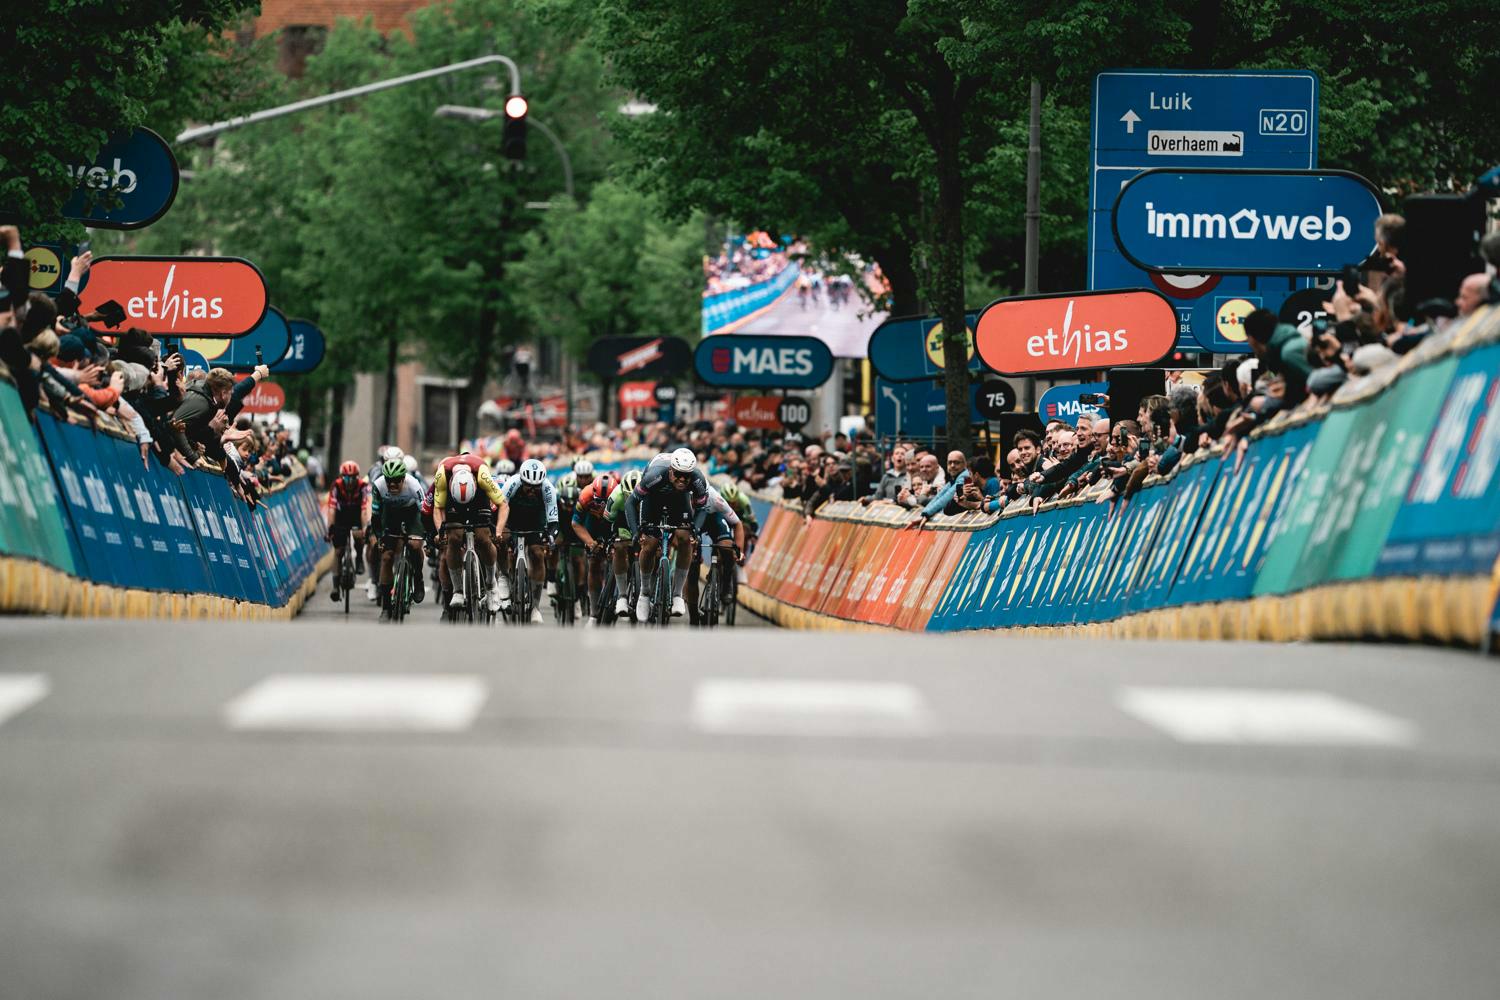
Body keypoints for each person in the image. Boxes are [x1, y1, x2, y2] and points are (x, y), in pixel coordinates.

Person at [626, 448, 709, 620]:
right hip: (653, 499)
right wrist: (635, 532)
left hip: (679, 501)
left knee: (686, 538)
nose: (682, 480)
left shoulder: (697, 479)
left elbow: (702, 508)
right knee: (649, 544)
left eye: (686, 476)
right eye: (678, 475)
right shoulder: (655, 475)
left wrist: (697, 531)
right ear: (671, 470)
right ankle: (644, 592)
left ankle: (677, 594)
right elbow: (631, 502)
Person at [433, 451, 507, 615]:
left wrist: (499, 531)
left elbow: (503, 505)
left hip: (479, 500)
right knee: (453, 538)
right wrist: (440, 533)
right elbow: (437, 509)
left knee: (483, 537)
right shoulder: (442, 475)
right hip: (454, 502)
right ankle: (458, 590)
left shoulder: (482, 475)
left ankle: (490, 583)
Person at [495, 458, 557, 623]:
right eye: (528, 485)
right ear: (521, 480)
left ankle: (535, 607)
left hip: (536, 521)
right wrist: (499, 531)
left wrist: (550, 536)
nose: (531, 489)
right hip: (512, 517)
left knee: (538, 554)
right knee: (502, 539)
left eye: (536, 487)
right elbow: (501, 508)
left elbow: (553, 521)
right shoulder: (512, 484)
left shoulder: (548, 489)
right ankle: (503, 576)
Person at [370, 456, 426, 620]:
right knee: (387, 557)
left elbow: (424, 513)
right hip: (390, 513)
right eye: (389, 481)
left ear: (403, 478)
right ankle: (386, 607)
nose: (392, 485)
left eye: (396, 481)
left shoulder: (414, 485)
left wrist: (427, 537)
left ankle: (418, 577)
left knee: (415, 545)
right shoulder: (379, 486)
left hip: (412, 514)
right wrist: (379, 538)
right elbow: (375, 516)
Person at [570, 469, 620, 621]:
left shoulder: (620, 495)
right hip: (592, 526)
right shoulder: (585, 495)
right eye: (599, 501)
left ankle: (621, 596)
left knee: (620, 553)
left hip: (614, 524)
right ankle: (594, 611)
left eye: (607, 501)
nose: (602, 505)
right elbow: (576, 523)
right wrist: (590, 542)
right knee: (594, 563)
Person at [325, 460, 369, 602]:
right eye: (346, 478)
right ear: (341, 477)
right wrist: (330, 529)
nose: (350, 481)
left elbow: (364, 510)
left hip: (356, 514)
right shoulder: (336, 485)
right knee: (338, 551)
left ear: (358, 477)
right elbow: (331, 509)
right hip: (341, 515)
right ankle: (335, 586)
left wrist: (364, 529)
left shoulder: (362, 486)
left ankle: (359, 558)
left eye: (353, 478)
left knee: (358, 535)